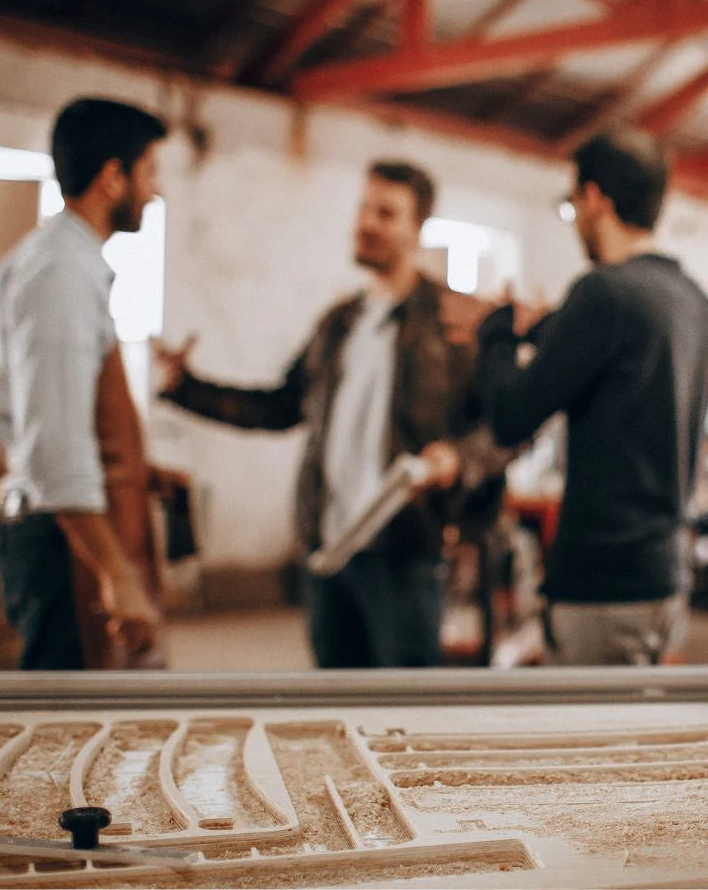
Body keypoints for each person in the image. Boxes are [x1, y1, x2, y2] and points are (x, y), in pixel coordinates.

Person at [155, 160, 511, 668]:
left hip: (405, 549)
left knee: (404, 710)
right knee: (333, 704)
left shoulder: (453, 321)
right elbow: (280, 406)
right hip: (328, 551)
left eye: (386, 213)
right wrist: (184, 389)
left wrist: (459, 458)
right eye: (364, 208)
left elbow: (509, 426)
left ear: (417, 227)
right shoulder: (339, 324)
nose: (367, 222)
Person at [441, 129, 708, 665]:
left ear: (595, 199)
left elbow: (512, 418)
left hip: (602, 583)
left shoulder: (603, 291)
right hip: (663, 576)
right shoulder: (688, 298)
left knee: (595, 740)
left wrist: (495, 333)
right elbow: (607, 355)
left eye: (573, 205)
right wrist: (539, 330)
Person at [0, 98, 167, 669]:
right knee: (68, 730)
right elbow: (54, 445)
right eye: (150, 173)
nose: (156, 192)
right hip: (60, 543)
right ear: (114, 177)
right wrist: (116, 573)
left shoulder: (68, 262)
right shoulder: (59, 273)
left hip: (63, 531)